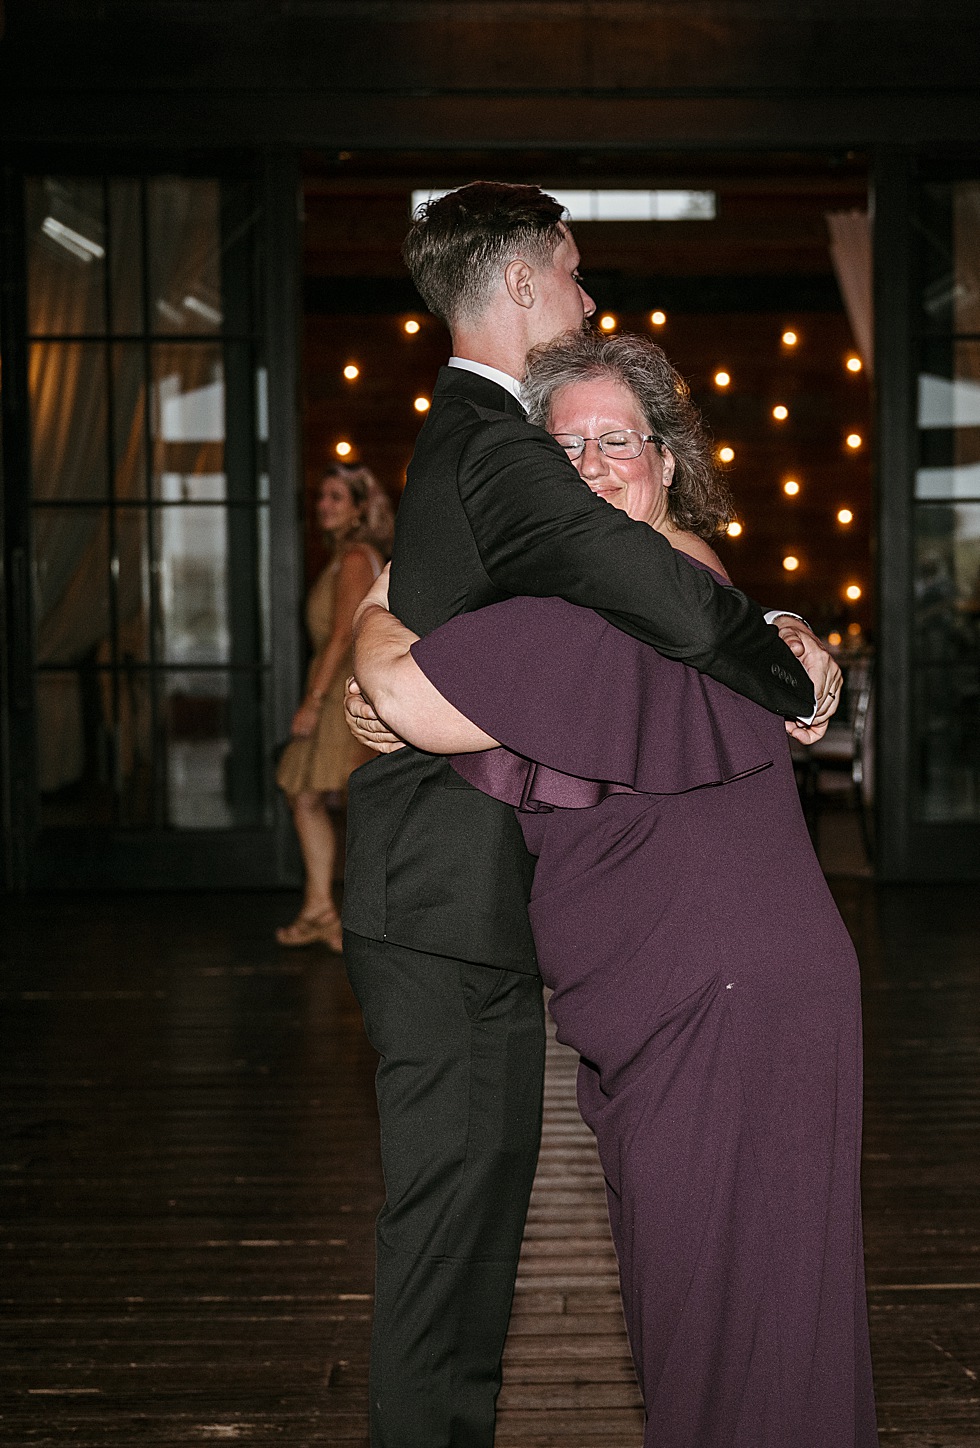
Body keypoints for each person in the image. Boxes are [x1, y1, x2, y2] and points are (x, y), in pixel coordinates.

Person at [341, 181, 842, 1448]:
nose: (589, 468)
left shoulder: (633, 597)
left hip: (715, 985)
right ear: (522, 279)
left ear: (670, 464)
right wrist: (784, 642)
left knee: (720, 1293)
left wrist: (371, 618)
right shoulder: (551, 530)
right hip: (643, 975)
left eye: (620, 439)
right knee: (714, 1292)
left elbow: (405, 686)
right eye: (566, 449)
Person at [274, 463, 392, 949]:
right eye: (321, 496)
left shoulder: (356, 558)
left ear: (360, 508)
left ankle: (356, 918)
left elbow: (344, 634)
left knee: (344, 798)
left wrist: (313, 699)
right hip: (338, 684)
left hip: (341, 689)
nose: (324, 505)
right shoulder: (346, 556)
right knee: (307, 796)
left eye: (337, 497)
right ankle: (320, 907)